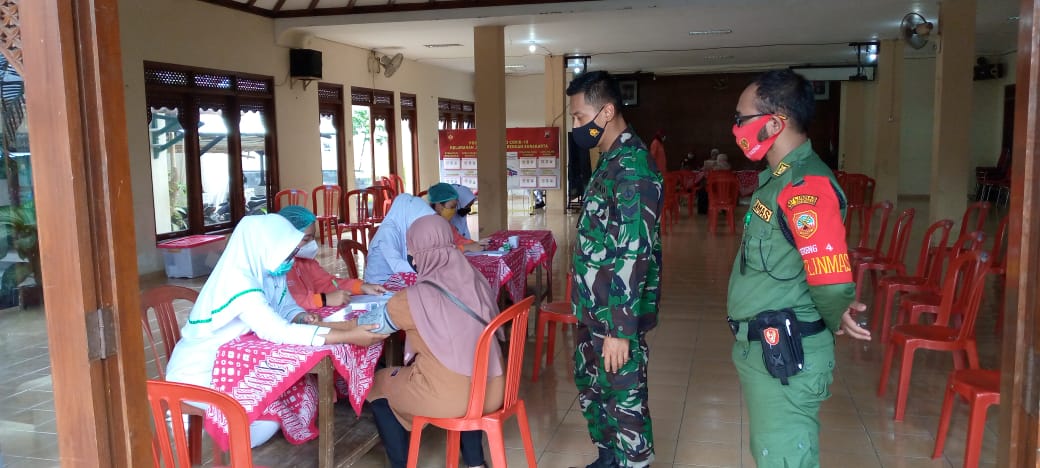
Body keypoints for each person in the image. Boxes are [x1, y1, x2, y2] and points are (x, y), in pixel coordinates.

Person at [726, 69, 871, 467]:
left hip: (787, 354)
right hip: (769, 350)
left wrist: (835, 305)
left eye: (741, 118)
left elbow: (829, 276)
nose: (735, 127)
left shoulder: (805, 186)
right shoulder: (777, 180)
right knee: (773, 451)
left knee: (784, 456)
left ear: (775, 122)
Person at [164, 214, 388, 447]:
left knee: (292, 396)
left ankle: (236, 441)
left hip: (234, 362)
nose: (291, 259)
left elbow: (285, 305)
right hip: (199, 373)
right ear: (266, 246)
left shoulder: (268, 269)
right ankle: (229, 443)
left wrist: (300, 316)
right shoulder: (238, 281)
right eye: (288, 252)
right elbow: (277, 331)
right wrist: (350, 336)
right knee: (273, 413)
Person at [566, 70, 663, 468]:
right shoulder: (610, 161)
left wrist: (621, 331)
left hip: (615, 317)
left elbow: (633, 253)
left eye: (578, 116)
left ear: (606, 112)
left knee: (625, 400)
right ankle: (608, 458)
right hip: (596, 312)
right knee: (595, 391)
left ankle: (631, 462)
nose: (575, 125)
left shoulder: (633, 169)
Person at [366, 215, 503, 468]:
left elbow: (369, 328)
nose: (414, 259)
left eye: (414, 252)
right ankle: (475, 463)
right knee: (466, 370)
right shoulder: (477, 280)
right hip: (492, 391)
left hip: (450, 399)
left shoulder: (413, 298)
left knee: (377, 384)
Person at [278, 206, 385, 313]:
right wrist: (324, 299)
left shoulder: (307, 262)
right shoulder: (275, 268)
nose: (312, 243)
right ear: (286, 237)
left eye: (313, 238)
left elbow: (328, 283)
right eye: (306, 239)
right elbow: (284, 303)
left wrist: (361, 287)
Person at [364, 193, 435, 285]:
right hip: (378, 285)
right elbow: (397, 265)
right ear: (407, 214)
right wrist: (427, 268)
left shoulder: (403, 229)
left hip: (394, 278)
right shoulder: (388, 231)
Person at [426, 182, 483, 252]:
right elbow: (438, 253)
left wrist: (475, 244)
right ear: (438, 205)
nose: (453, 210)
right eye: (452, 207)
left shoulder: (446, 223)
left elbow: (458, 239)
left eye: (455, 207)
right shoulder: (428, 226)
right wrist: (465, 248)